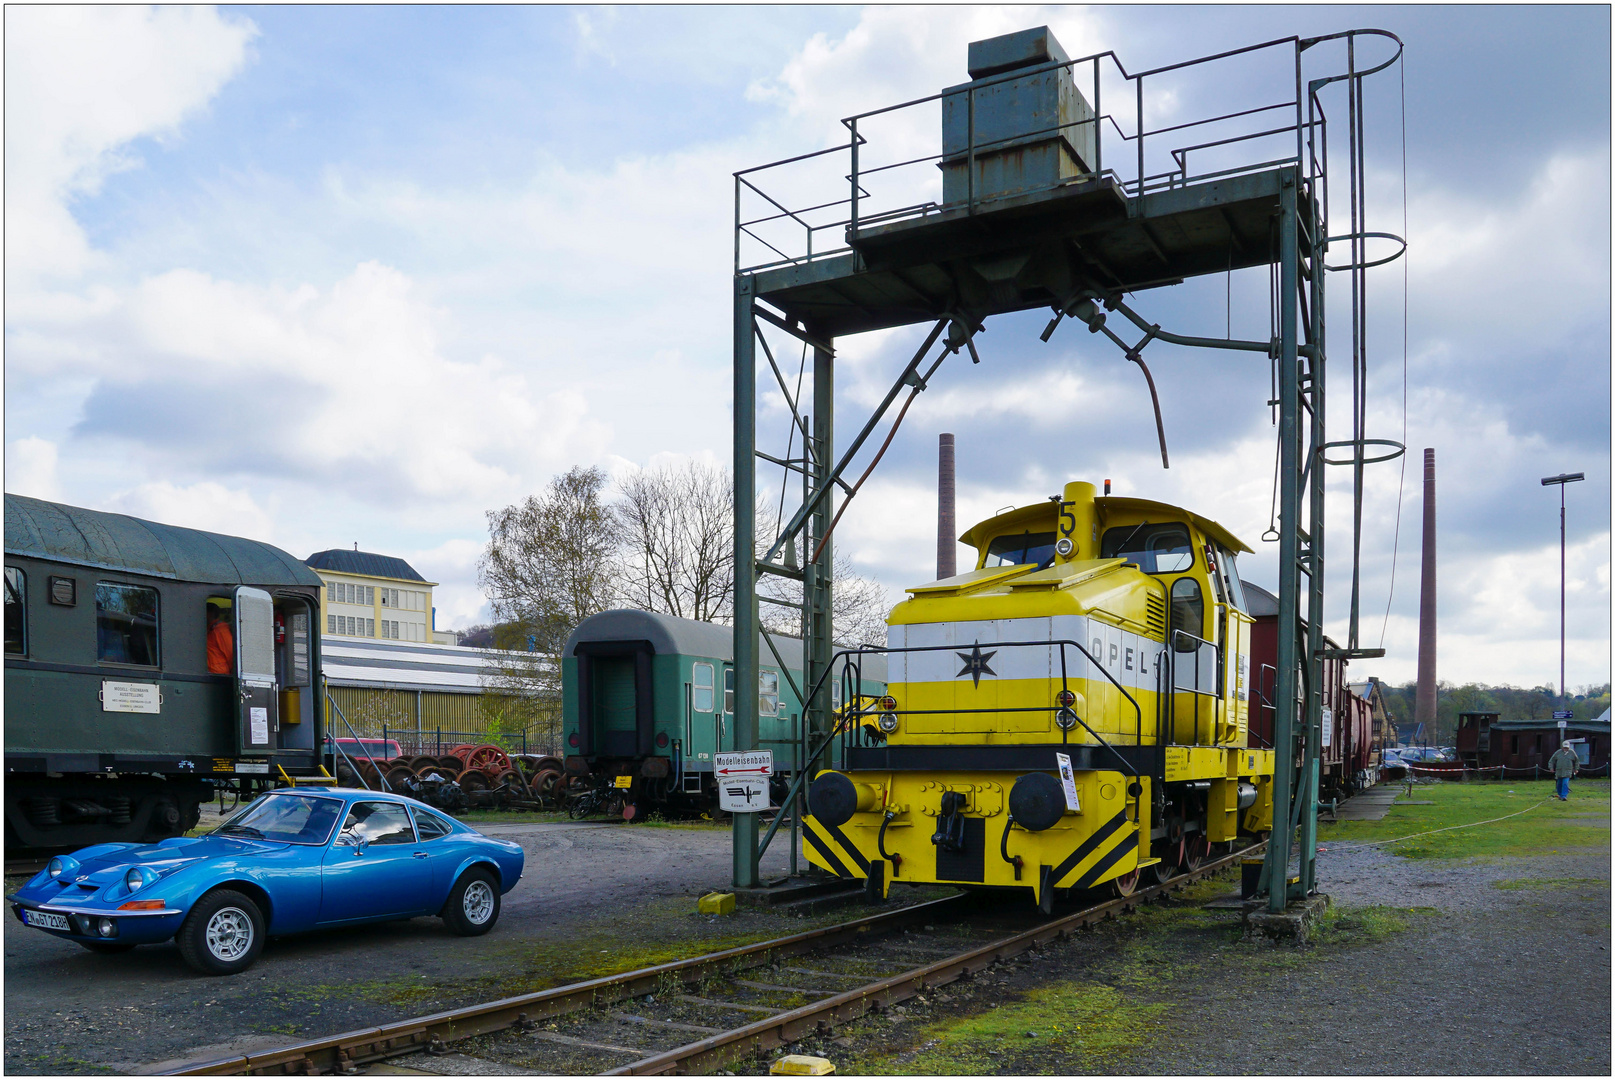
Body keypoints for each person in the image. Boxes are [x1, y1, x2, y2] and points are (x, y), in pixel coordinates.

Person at [206, 603, 234, 675]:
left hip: (218, 675)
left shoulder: (220, 630)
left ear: (211, 613)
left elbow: (231, 654)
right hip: (211, 673)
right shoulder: (210, 629)